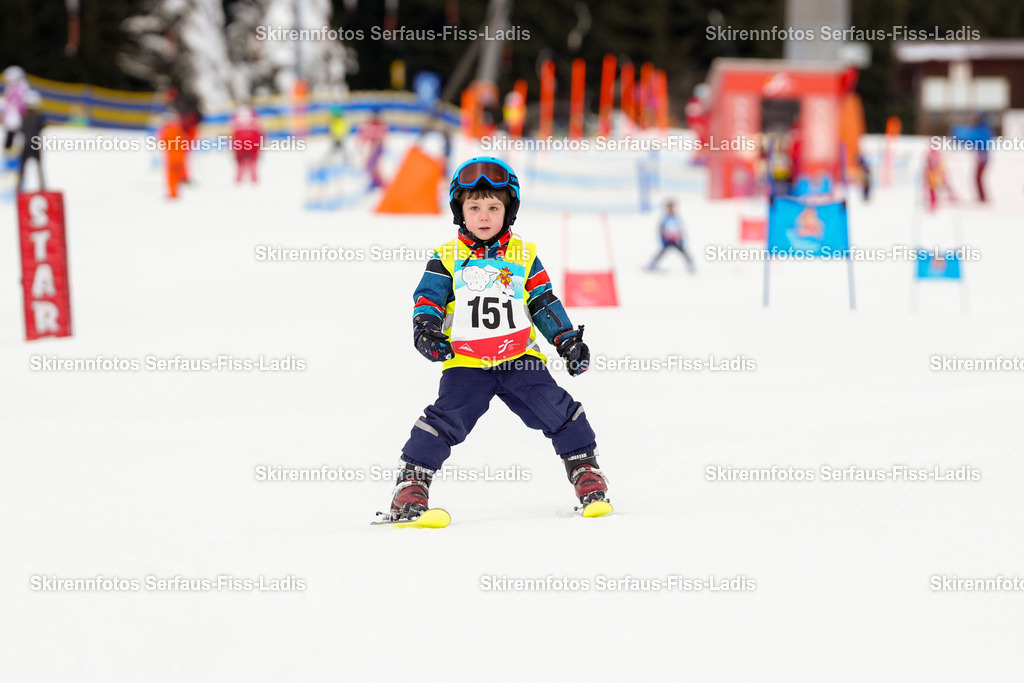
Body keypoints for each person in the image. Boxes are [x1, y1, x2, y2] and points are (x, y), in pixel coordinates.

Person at [381, 156, 611, 522]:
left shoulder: (524, 255)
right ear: (461, 211)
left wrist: (567, 340)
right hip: (466, 362)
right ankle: (412, 483)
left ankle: (585, 470)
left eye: (493, 207)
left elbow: (543, 302)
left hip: (520, 359)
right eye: (474, 207)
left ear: (509, 211)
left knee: (557, 408)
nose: (484, 216)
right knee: (446, 418)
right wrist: (426, 331)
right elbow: (429, 300)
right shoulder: (447, 257)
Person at [646, 199, 695, 273]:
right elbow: (660, 229)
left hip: (676, 240)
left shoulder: (677, 218)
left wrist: (683, 238)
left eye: (672, 207)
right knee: (661, 252)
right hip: (667, 240)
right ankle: (653, 264)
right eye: (669, 207)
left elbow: (681, 228)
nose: (670, 209)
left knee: (683, 252)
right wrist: (662, 239)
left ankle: (690, 265)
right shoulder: (664, 218)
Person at [17, 91, 45, 192]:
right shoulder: (38, 117)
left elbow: (21, 130)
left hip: (26, 144)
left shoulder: (24, 116)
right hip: (35, 144)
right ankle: (42, 189)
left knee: (22, 170)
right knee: (39, 169)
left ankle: (18, 190)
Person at [230, 103, 263, 183]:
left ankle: (239, 179)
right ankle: (254, 178)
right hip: (253, 138)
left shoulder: (235, 116)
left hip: (239, 138)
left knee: (240, 161)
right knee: (253, 161)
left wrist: (231, 146)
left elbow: (231, 132)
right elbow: (260, 131)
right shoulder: (254, 115)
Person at [158, 113, 187, 199]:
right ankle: (176, 193)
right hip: (179, 156)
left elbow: (163, 143)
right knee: (177, 175)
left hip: (171, 157)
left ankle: (173, 193)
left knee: (171, 176)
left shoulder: (167, 130)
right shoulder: (178, 129)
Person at [358, 110, 387, 188]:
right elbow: (365, 134)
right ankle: (376, 182)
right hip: (374, 147)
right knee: (371, 166)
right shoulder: (372, 124)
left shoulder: (379, 125)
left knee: (372, 165)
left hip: (378, 147)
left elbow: (381, 136)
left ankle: (379, 183)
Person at [923, 148, 955, 213]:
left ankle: (951, 197)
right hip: (932, 175)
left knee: (944, 186)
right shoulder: (929, 154)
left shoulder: (938, 155)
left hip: (937, 174)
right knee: (931, 190)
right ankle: (932, 206)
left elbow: (941, 165)